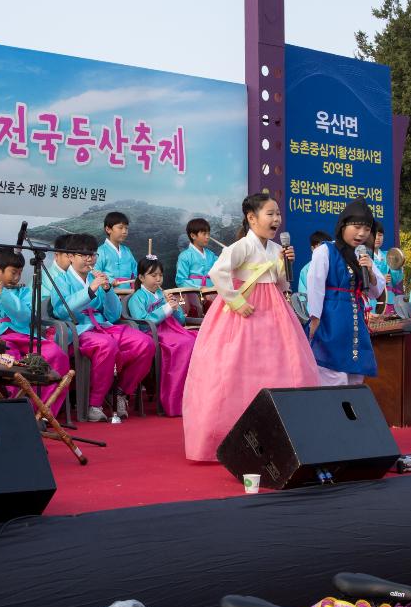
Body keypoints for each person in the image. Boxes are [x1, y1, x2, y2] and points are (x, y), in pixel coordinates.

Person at [182, 193, 319, 462]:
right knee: (235, 369)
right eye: (270, 214)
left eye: (278, 214)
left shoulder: (276, 248)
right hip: (245, 312)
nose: (276, 219)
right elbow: (218, 272)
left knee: (279, 366)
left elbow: (281, 284)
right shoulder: (242, 246)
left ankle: (280, 433)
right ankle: (224, 437)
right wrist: (235, 300)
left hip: (274, 310)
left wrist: (284, 264)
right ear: (251, 217)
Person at [53, 233, 155, 422]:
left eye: (92, 254)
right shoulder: (61, 280)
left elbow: (113, 315)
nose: (88, 259)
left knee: (145, 343)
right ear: (70, 257)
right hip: (79, 329)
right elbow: (60, 311)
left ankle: (120, 392)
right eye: (83, 255)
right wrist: (90, 290)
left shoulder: (96, 277)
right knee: (107, 345)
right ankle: (95, 403)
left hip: (103, 325)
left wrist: (107, 291)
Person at [0, 248, 71, 417]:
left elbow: (26, 316)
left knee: (55, 354)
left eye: (20, 273)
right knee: (10, 360)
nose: (17, 277)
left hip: (24, 334)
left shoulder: (24, 291)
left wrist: (3, 293)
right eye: (13, 272)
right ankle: (14, 411)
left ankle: (42, 411)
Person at [306, 200, 385, 386]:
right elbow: (315, 284)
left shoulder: (363, 255)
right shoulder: (326, 250)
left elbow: (375, 292)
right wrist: (315, 317)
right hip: (331, 317)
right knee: (334, 374)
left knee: (355, 376)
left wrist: (370, 272)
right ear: (343, 225)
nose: (362, 233)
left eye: (366, 229)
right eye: (357, 227)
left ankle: (353, 413)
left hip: (355, 319)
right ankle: (330, 413)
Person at [128, 255, 196, 416]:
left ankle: (195, 399)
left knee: (198, 339)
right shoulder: (136, 297)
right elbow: (143, 323)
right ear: (141, 277)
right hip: (155, 334)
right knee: (184, 345)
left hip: (173, 330)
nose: (158, 279)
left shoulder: (163, 294)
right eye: (153, 275)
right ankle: (175, 401)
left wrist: (175, 307)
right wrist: (165, 309)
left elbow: (180, 322)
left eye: (160, 275)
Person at [95, 211, 137, 291]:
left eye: (126, 228)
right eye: (120, 228)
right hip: (108, 293)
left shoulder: (127, 251)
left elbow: (136, 271)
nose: (124, 231)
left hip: (128, 293)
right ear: (108, 229)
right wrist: (110, 280)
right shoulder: (101, 251)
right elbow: (94, 272)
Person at [174, 218, 218, 288]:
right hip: (194, 296)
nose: (207, 237)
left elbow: (222, 267)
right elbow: (180, 281)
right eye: (204, 234)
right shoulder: (184, 256)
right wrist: (199, 288)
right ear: (193, 236)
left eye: (208, 234)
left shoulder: (211, 255)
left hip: (212, 293)